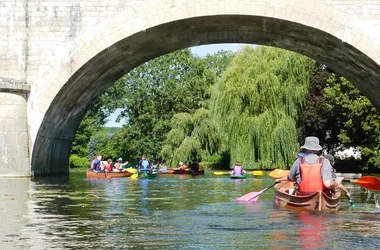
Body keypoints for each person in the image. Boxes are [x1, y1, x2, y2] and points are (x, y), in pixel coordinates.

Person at [275, 136, 341, 196]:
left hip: (302, 196)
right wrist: (335, 184)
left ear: (305, 149)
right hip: (321, 195)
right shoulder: (325, 161)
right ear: (318, 150)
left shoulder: (299, 161)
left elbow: (290, 178)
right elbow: (328, 184)